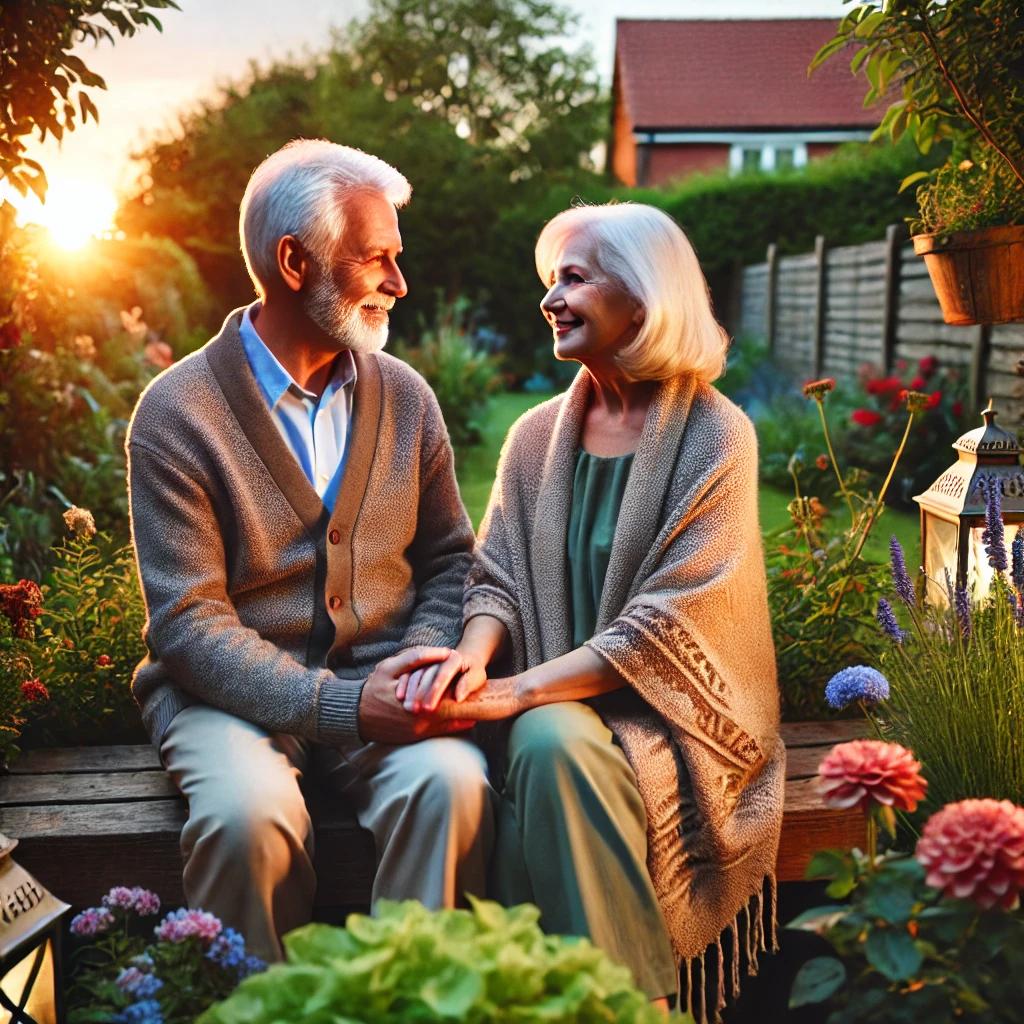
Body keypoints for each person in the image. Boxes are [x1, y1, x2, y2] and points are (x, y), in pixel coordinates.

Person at [399, 202, 785, 1020]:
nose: (551, 299)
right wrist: (474, 659)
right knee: (546, 741)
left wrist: (519, 691)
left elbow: (670, 628)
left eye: (573, 278)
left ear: (644, 297)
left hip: (668, 719)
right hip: (556, 708)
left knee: (542, 739)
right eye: (550, 281)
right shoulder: (538, 435)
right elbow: (494, 576)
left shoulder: (717, 436)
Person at [125, 139, 494, 962]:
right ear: (295, 262)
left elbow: (447, 559)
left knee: (452, 786)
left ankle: (409, 1008)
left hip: (387, 685)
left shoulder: (404, 395)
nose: (399, 283)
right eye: (378, 259)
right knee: (245, 821)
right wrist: (340, 706)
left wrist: (427, 663)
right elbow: (188, 624)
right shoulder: (177, 413)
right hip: (226, 701)